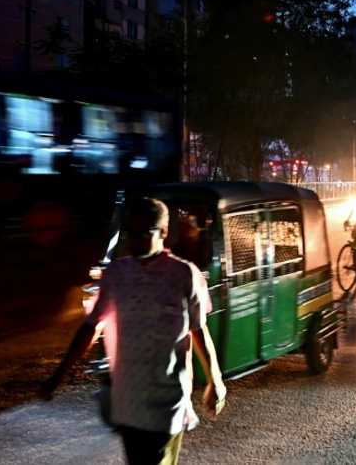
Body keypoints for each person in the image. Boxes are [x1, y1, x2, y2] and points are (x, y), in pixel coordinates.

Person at [41, 197, 225, 465]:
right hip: (129, 402)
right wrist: (58, 376)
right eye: (131, 232)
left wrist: (215, 381)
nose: (135, 240)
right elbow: (90, 328)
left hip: (167, 402)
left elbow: (199, 331)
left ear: (163, 232)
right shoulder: (117, 274)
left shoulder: (184, 275)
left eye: (144, 232)